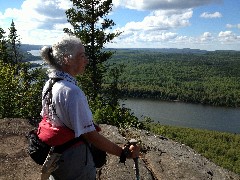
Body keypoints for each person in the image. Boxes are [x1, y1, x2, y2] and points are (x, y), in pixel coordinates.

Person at [38, 35, 140, 180]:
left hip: (56, 153)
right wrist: (123, 152)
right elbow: (90, 135)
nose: (86, 60)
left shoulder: (50, 84)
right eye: (82, 55)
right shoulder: (72, 92)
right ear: (67, 59)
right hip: (75, 160)